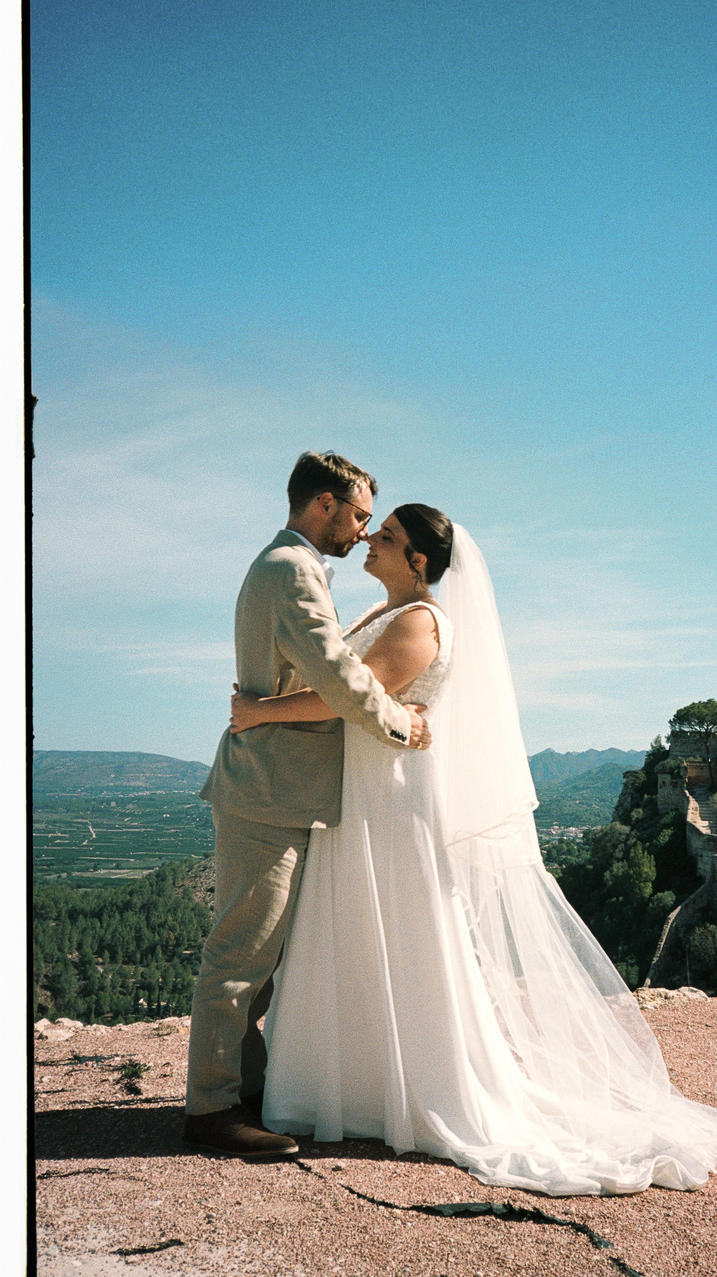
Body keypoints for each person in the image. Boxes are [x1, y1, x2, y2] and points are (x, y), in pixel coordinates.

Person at [229, 507, 717, 1195]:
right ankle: (350, 1082)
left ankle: (409, 1087)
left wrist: (259, 712)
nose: (370, 540)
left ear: (418, 560)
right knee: (355, 930)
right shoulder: (380, 611)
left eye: (385, 536)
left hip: (388, 802)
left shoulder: (420, 622)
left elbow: (342, 698)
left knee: (401, 931)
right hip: (357, 795)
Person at [183, 452, 432, 1161]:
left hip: (279, 787)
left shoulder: (290, 566)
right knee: (239, 957)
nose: (359, 533)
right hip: (266, 790)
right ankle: (211, 1109)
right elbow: (339, 672)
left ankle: (247, 1093)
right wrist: (398, 724)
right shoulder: (292, 570)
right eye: (356, 516)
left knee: (259, 960)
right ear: (323, 504)